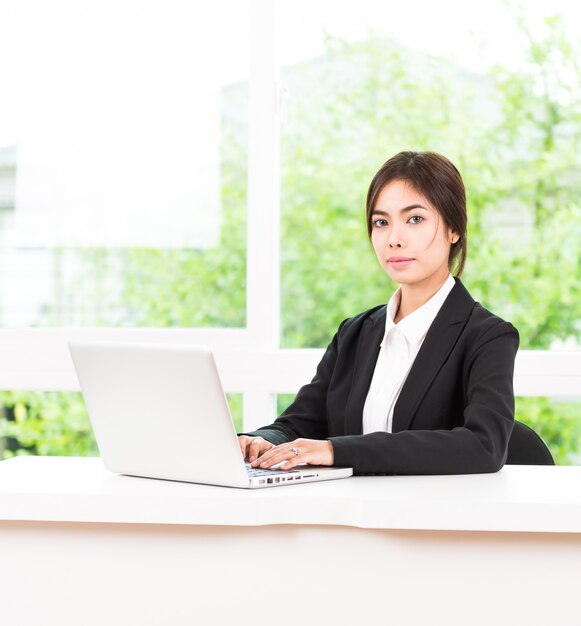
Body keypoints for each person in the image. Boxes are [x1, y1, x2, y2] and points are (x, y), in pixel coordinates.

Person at [238, 150, 519, 475]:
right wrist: (259, 440)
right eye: (381, 222)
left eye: (415, 219)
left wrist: (335, 450)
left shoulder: (486, 336)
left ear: (454, 229)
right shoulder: (355, 333)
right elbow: (299, 423)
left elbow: (484, 446)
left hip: (436, 518)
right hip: (353, 516)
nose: (394, 239)